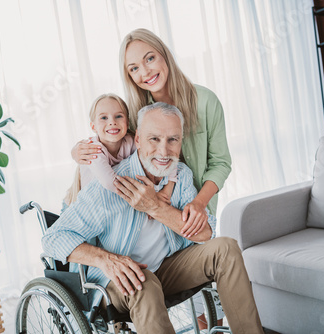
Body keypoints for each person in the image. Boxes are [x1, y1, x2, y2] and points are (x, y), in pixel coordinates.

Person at [42, 103, 263, 333]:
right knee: (142, 281)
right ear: (137, 139)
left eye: (172, 140)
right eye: (154, 139)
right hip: (120, 281)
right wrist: (106, 260)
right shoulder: (110, 185)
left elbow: (205, 233)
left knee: (225, 248)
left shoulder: (181, 176)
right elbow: (53, 238)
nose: (164, 152)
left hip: (166, 268)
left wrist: (155, 207)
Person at [72, 28, 233, 326]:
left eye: (149, 59)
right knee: (152, 277)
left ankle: (215, 327)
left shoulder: (205, 101)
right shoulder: (135, 113)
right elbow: (113, 147)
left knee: (208, 299)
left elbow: (220, 163)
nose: (145, 72)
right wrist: (78, 150)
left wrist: (197, 202)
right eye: (134, 68)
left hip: (194, 207)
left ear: (164, 56)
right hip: (150, 213)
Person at [63, 93, 178, 214]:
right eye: (103, 118)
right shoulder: (93, 149)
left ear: (127, 123)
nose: (112, 122)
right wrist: (152, 199)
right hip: (77, 207)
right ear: (93, 127)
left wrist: (167, 190)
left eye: (118, 116)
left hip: (104, 204)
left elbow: (165, 157)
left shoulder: (131, 142)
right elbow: (111, 183)